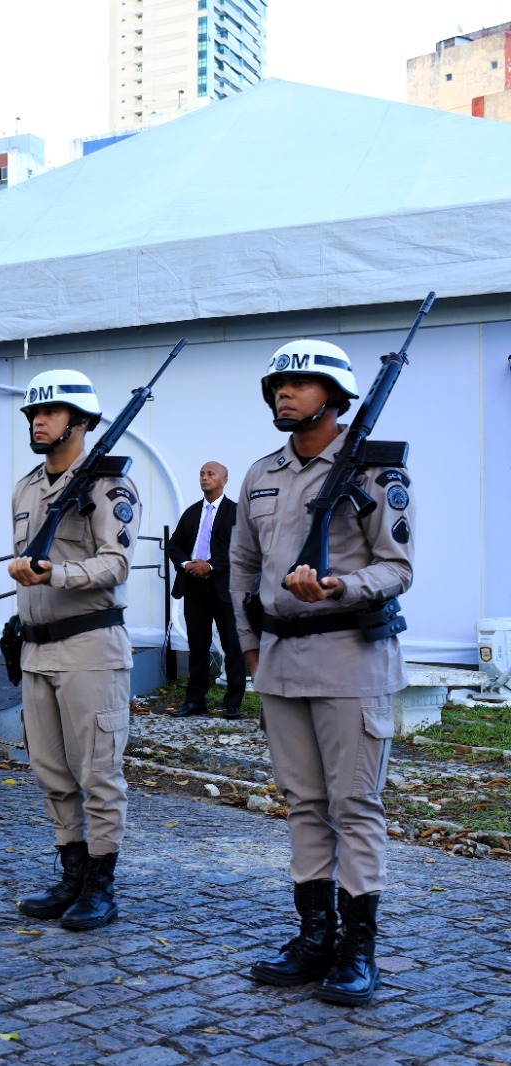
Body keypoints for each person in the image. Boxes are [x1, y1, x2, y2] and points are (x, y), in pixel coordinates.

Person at [235, 339, 413, 1007]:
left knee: (355, 805)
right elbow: (241, 571)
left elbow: (397, 568)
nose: (284, 392)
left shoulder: (375, 471)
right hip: (280, 660)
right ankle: (314, 937)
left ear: (335, 398)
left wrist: (342, 586)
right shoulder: (259, 473)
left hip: (350, 658)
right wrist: (250, 649)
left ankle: (357, 947)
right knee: (304, 805)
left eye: (301, 384)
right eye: (277, 384)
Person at [8, 369, 140, 932]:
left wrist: (57, 574)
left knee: (99, 773)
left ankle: (101, 886)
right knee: (51, 772)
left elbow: (118, 562)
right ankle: (72, 872)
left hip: (89, 645)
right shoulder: (26, 486)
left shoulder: (108, 487)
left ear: (81, 423)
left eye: (51, 413)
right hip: (38, 650)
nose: (38, 421)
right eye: (34, 414)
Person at [166, 461, 246, 718]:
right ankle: (195, 701)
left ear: (224, 479)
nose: (204, 477)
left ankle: (233, 703)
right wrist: (186, 563)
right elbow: (174, 544)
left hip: (224, 588)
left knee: (232, 645)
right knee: (198, 646)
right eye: (201, 473)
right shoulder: (191, 513)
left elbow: (241, 549)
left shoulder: (236, 512)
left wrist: (210, 566)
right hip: (194, 588)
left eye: (211, 474)